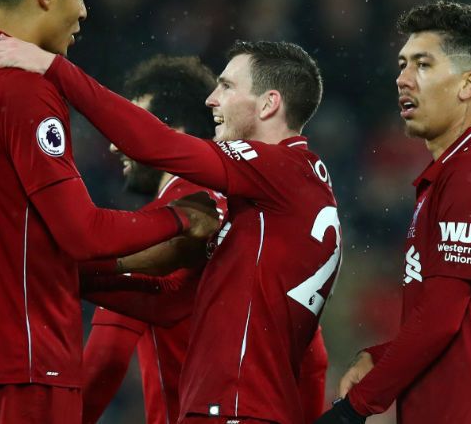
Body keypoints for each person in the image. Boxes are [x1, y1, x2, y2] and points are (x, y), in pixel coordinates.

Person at [0, 0, 215, 423]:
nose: (84, 10)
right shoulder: (22, 86)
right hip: (18, 367)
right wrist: (182, 220)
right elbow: (81, 232)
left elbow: (9, 235)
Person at [0, 38, 342, 424]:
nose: (212, 99)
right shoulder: (272, 202)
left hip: (233, 411)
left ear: (269, 104)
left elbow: (154, 144)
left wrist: (54, 68)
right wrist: (57, 272)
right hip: (238, 409)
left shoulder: (279, 169)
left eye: (227, 86)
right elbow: (172, 302)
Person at [316, 0, 471, 424]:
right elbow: (456, 320)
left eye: (422, 65)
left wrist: (355, 410)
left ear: (467, 84)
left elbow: (441, 318)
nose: (402, 79)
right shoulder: (456, 171)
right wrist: (378, 357)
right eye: (402, 64)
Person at [79, 55, 329, 424]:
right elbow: (313, 358)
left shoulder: (177, 216)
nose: (116, 146)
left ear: (168, 135)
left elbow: (106, 357)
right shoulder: (255, 216)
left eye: (129, 131)